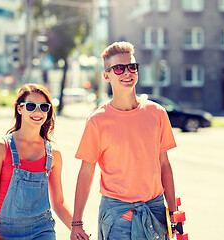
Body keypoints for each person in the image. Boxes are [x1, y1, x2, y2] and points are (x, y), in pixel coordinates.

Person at [70, 41, 177, 240]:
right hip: (117, 217)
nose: (127, 73)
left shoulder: (157, 113)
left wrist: (174, 211)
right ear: (107, 75)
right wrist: (77, 222)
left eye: (131, 67)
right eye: (118, 68)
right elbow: (86, 172)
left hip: (155, 213)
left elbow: (164, 164)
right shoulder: (97, 121)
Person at [0, 84, 72, 240]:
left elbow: (59, 202)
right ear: (20, 109)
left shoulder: (54, 153)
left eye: (44, 107)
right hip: (4, 232)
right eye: (31, 106)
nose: (38, 112)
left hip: (43, 231)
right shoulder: (1, 148)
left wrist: (77, 228)